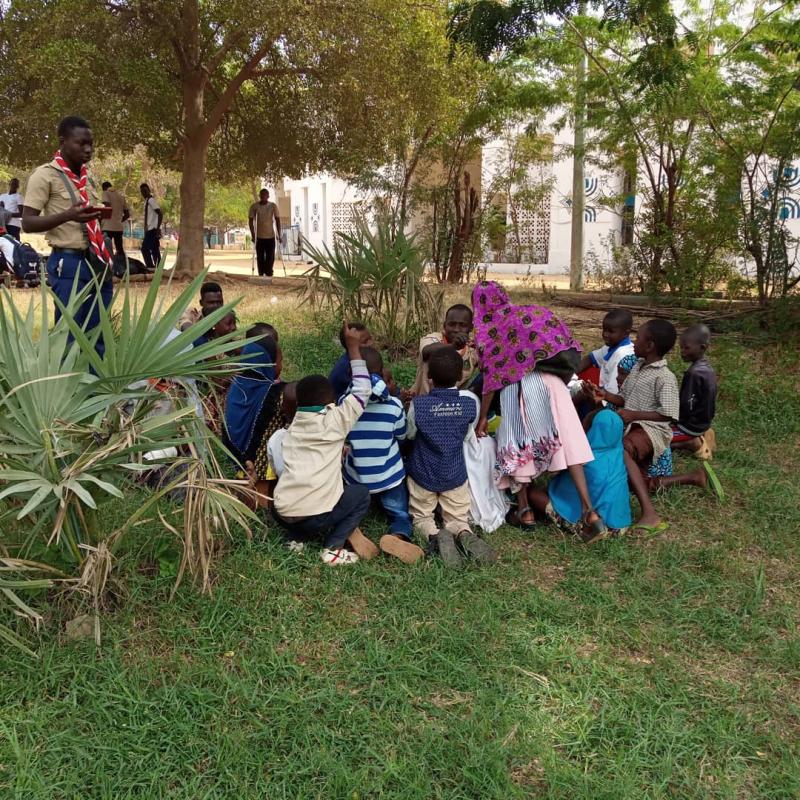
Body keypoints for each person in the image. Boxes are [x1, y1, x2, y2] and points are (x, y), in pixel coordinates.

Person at [472, 281, 604, 539]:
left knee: (518, 446)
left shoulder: (489, 329)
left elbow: (491, 378)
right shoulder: (529, 313)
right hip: (553, 382)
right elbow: (563, 342)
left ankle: (525, 510)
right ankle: (590, 512)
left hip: (519, 389)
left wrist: (482, 420)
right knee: (569, 442)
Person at [272, 323, 373, 566]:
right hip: (316, 516)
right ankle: (332, 548)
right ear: (331, 402)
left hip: (282, 512)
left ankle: (295, 538)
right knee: (360, 494)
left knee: (298, 495)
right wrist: (353, 348)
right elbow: (363, 389)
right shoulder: (335, 421)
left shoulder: (289, 430)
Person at [22, 115, 112, 351]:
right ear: (63, 142)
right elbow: (28, 222)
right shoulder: (45, 175)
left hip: (97, 260)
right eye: (81, 143)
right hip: (68, 262)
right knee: (69, 334)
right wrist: (67, 216)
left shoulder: (86, 178)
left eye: (91, 144)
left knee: (97, 332)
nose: (88, 149)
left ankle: (95, 385)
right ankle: (69, 386)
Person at [406, 346, 496, 567]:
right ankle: (462, 532)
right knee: (457, 516)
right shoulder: (470, 403)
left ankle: (434, 535)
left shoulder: (419, 406)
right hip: (454, 474)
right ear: (460, 376)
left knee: (422, 516)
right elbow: (467, 435)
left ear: (429, 377)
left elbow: (410, 434)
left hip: (423, 474)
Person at [592, 319, 680, 533]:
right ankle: (692, 478)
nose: (633, 342)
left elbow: (668, 415)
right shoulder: (638, 368)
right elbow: (624, 399)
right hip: (633, 427)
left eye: (638, 338)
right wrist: (603, 395)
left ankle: (650, 514)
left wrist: (634, 415)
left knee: (621, 451)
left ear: (650, 346)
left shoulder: (665, 377)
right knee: (632, 480)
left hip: (652, 430)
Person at [340, 347, 424, 564]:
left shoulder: (345, 403)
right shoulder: (394, 405)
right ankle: (398, 534)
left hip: (356, 477)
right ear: (382, 374)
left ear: (352, 375)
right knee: (399, 513)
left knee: (348, 506)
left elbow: (342, 434)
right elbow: (402, 436)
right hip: (389, 477)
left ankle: (352, 528)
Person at [523, 408, 632, 541]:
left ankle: (583, 524)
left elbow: (564, 487)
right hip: (620, 526)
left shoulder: (585, 460)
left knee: (533, 494)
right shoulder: (618, 454)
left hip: (598, 527)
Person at [410, 304, 479, 397]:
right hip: (422, 403)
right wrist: (453, 346)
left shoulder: (473, 350)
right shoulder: (433, 338)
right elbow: (427, 351)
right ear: (444, 325)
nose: (456, 329)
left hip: (452, 407)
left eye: (462, 325)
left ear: (471, 327)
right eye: (452, 324)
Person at [671, 324, 717, 458]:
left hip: (690, 426)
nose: (682, 351)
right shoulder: (707, 368)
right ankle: (704, 433)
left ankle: (692, 442)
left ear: (702, 347)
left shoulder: (694, 373)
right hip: (703, 423)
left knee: (659, 440)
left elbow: (687, 405)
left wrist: (672, 418)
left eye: (686, 348)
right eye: (681, 348)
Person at [576, 309, 635, 396]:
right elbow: (590, 358)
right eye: (604, 330)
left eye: (611, 332)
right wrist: (570, 373)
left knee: (580, 395)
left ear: (626, 333)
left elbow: (613, 393)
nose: (605, 334)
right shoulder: (611, 347)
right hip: (605, 393)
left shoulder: (622, 355)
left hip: (614, 399)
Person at [329, 321, 374, 398]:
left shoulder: (367, 359)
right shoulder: (345, 368)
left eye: (370, 339)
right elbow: (363, 395)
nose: (371, 343)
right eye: (365, 341)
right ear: (350, 344)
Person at [248, 188, 281, 284]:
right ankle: (261, 274)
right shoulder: (254, 207)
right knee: (260, 257)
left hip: (270, 236)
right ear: (259, 196)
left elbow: (277, 220)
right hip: (259, 237)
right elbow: (251, 220)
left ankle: (269, 273)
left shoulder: (273, 206)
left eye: (265, 195)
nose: (263, 197)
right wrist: (253, 235)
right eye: (262, 195)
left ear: (268, 196)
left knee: (270, 257)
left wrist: (279, 234)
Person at [101, 181, 130, 256]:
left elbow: (107, 206)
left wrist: (100, 218)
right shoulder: (121, 195)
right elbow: (127, 214)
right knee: (120, 250)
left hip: (107, 227)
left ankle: (109, 266)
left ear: (104, 188)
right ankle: (122, 266)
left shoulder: (105, 192)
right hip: (118, 228)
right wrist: (119, 220)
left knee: (107, 251)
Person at [139, 183, 163, 271]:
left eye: (145, 191)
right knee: (154, 249)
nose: (144, 193)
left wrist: (157, 228)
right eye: (142, 192)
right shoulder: (146, 201)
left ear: (149, 190)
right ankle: (159, 267)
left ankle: (150, 266)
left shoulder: (151, 200)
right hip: (149, 228)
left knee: (144, 248)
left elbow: (159, 213)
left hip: (152, 229)